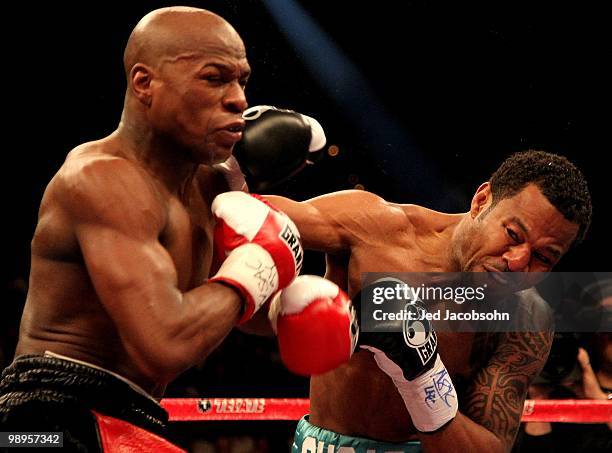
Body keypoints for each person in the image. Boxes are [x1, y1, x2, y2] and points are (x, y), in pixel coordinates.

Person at [0, 6, 334, 451]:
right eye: (215, 78)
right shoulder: (101, 180)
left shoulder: (215, 184)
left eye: (242, 81)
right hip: (48, 417)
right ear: (144, 84)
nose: (238, 98)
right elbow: (165, 342)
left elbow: (230, 309)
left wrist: (294, 310)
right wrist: (258, 264)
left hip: (134, 416)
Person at [266, 150, 592, 452]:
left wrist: (422, 376)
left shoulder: (525, 318)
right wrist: (231, 168)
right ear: (481, 200)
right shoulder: (375, 229)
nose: (519, 262)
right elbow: (245, 220)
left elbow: (489, 447)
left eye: (544, 258)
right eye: (513, 235)